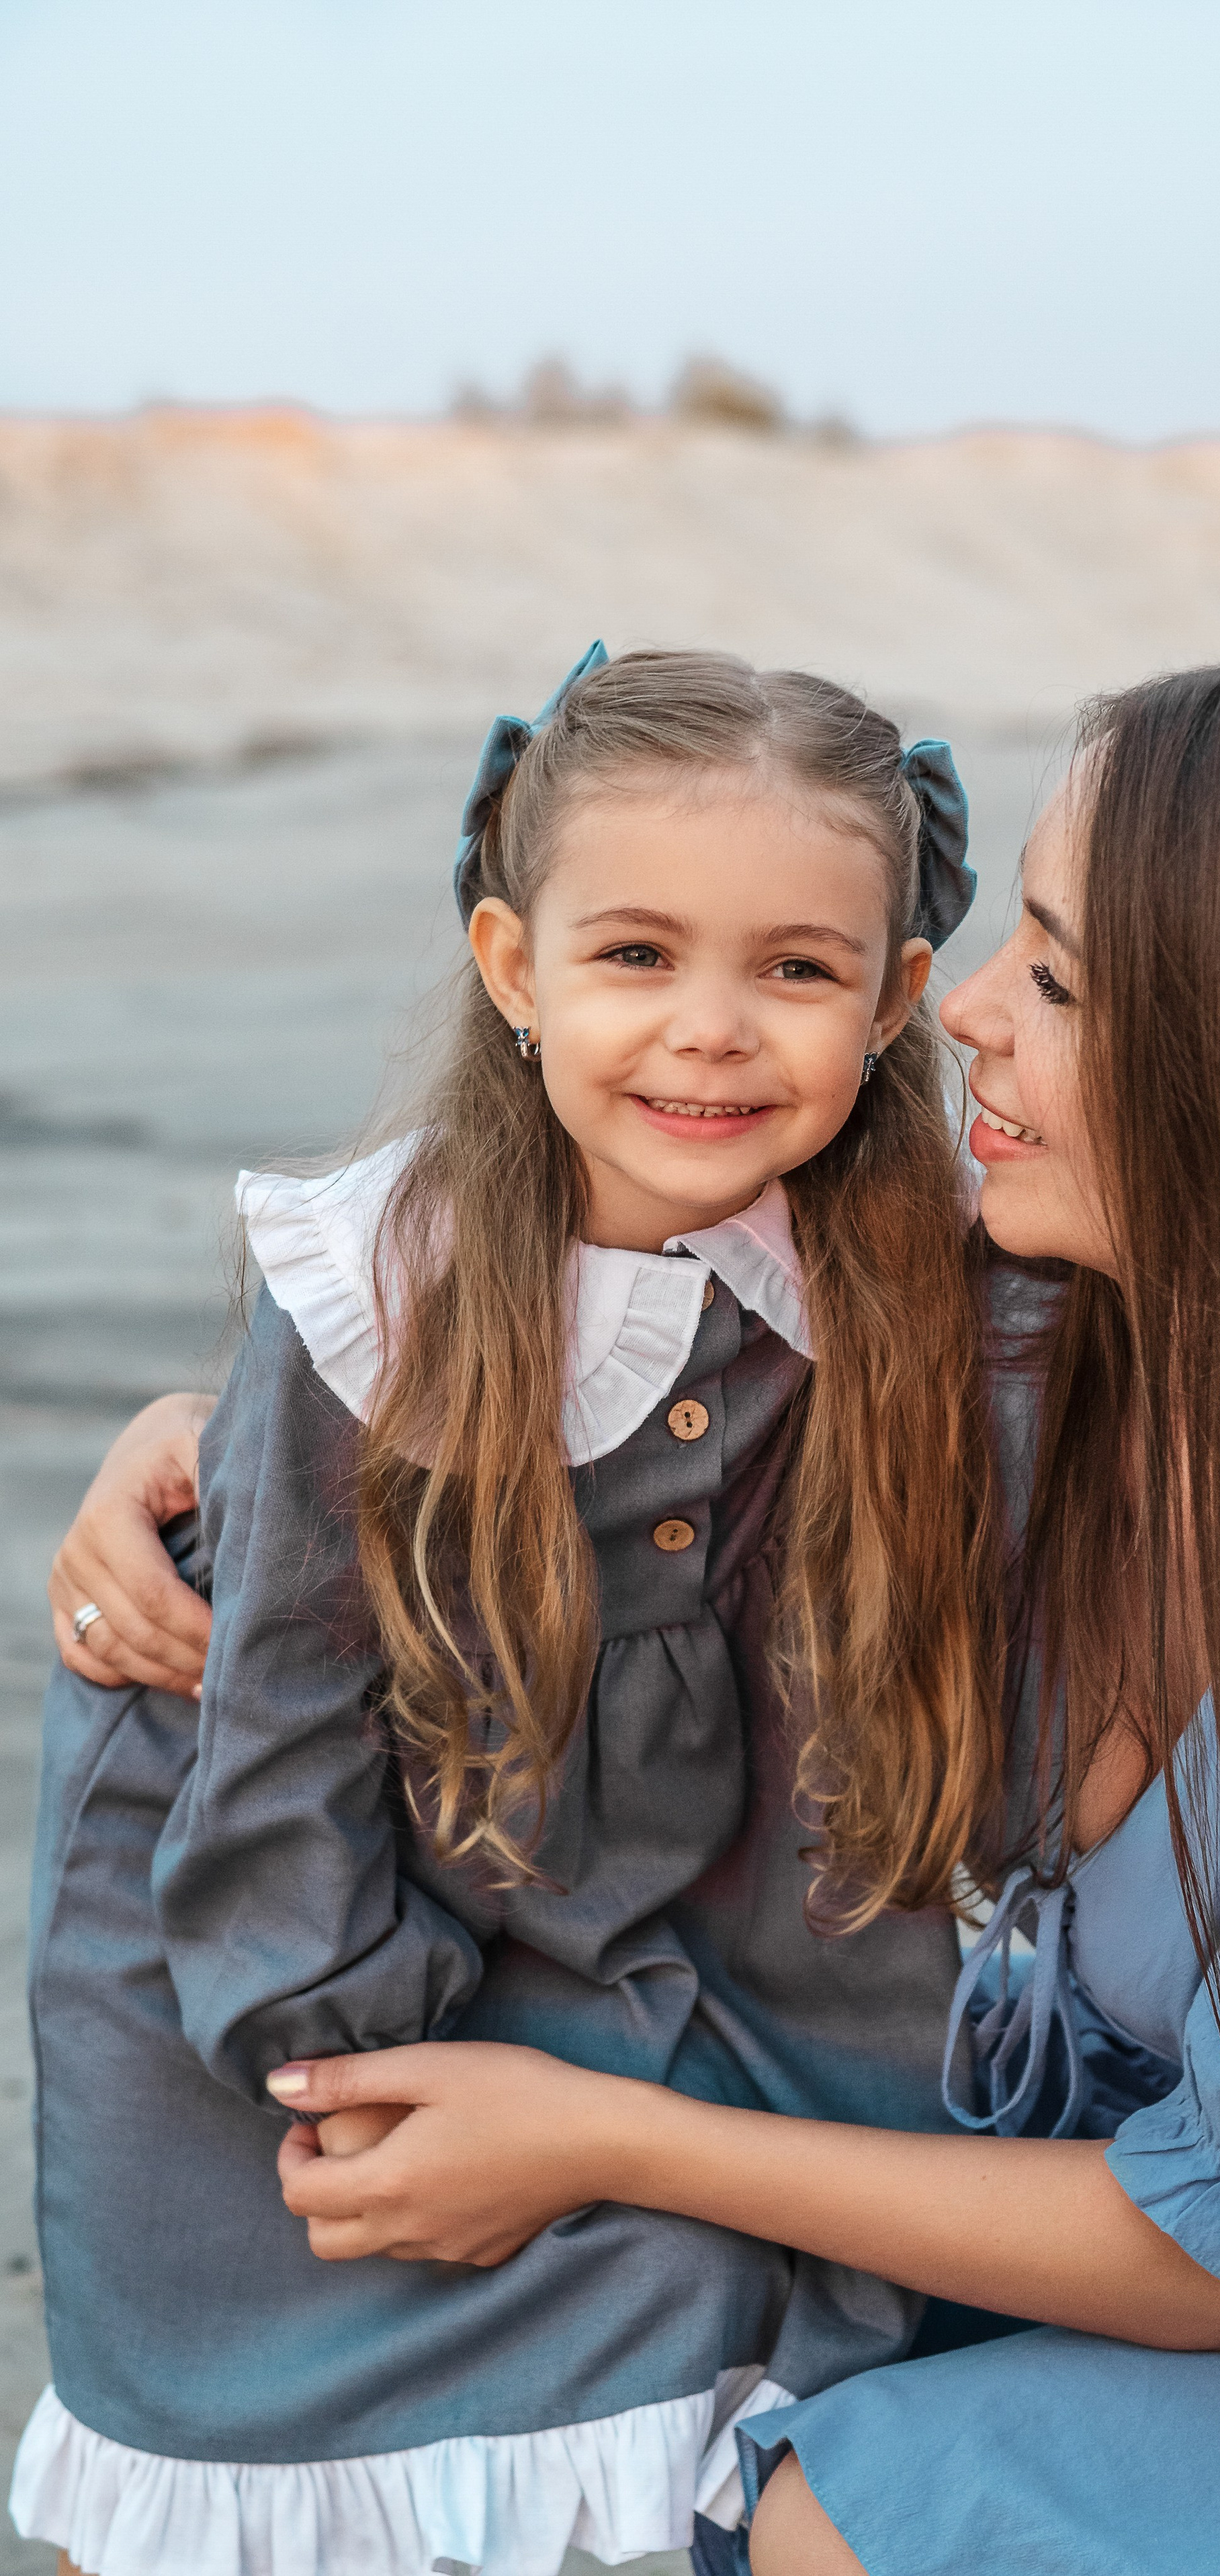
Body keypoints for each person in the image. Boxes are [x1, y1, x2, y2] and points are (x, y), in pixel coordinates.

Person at [251, 662, 1220, 2573]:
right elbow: (616, 1368)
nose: (957, 1008)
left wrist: (599, 2134)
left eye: (1056, 975)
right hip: (1148, 2275)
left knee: (841, 2510)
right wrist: (196, 1447)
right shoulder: (1026, 1356)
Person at [15, 646, 1022, 2576]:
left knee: (763, 2303)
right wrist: (342, 2058)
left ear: (897, 999)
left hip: (670, 1910)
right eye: (635, 957)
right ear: (511, 965)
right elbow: (287, 1723)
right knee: (250, 2402)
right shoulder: (382, 1292)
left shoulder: (906, 1274)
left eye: (795, 971)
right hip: (297, 1898)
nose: (711, 1033)